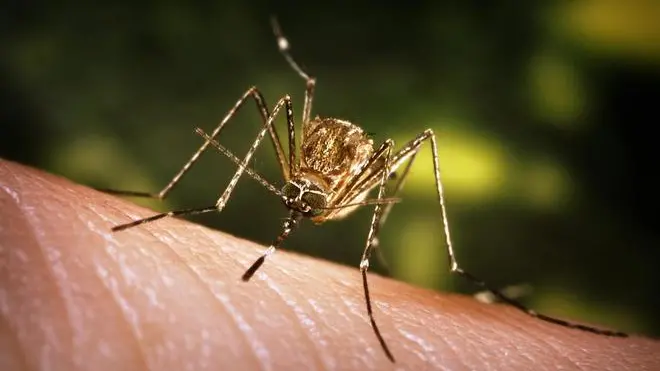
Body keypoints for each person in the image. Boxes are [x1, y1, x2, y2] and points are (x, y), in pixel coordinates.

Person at [1, 159, 657, 370]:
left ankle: (437, 266)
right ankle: (185, 198)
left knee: (420, 139)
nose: (291, 211)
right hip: (314, 169)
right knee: (274, 97)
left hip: (342, 180)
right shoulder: (293, 174)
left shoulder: (345, 189)